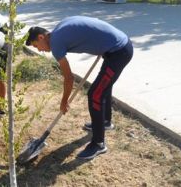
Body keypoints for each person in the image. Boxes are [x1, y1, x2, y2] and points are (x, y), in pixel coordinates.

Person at [25, 16, 133, 160]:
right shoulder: (58, 30)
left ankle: (99, 144)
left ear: (41, 37)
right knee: (102, 88)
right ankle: (105, 122)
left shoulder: (56, 43)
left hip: (118, 52)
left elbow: (69, 78)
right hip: (117, 46)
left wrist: (64, 101)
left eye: (37, 46)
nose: (40, 50)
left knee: (95, 94)